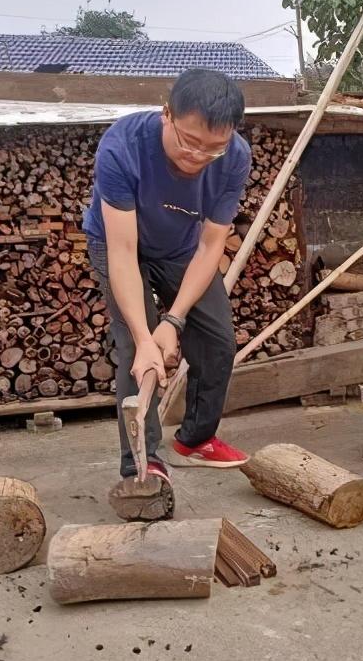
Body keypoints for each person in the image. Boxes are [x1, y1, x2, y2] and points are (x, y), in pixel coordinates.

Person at [84, 68, 253, 488]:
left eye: (212, 148)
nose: (198, 156)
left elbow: (211, 245)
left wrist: (174, 320)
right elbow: (123, 251)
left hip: (182, 249)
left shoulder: (234, 156)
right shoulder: (122, 147)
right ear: (167, 115)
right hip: (120, 245)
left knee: (218, 342)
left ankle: (195, 440)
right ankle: (140, 461)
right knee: (135, 352)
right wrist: (147, 337)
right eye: (189, 141)